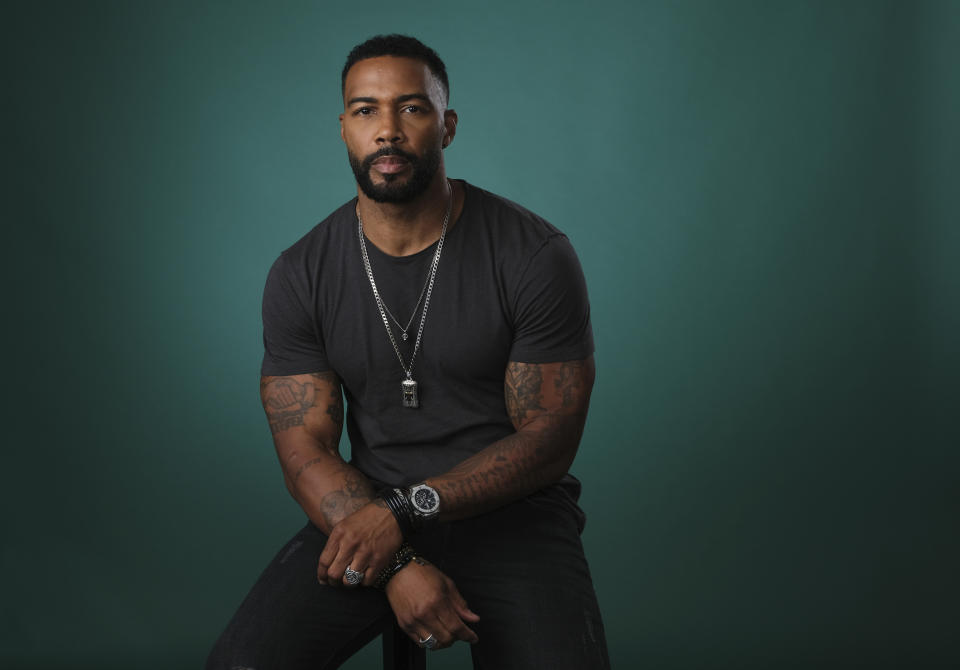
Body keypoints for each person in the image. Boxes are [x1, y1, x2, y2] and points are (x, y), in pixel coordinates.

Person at [207, 34, 610, 670]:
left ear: (446, 127)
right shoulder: (300, 273)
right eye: (365, 110)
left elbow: (549, 439)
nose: (387, 130)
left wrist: (406, 509)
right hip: (366, 508)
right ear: (343, 129)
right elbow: (303, 448)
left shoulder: (533, 254)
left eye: (412, 108)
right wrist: (394, 554)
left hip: (513, 516)